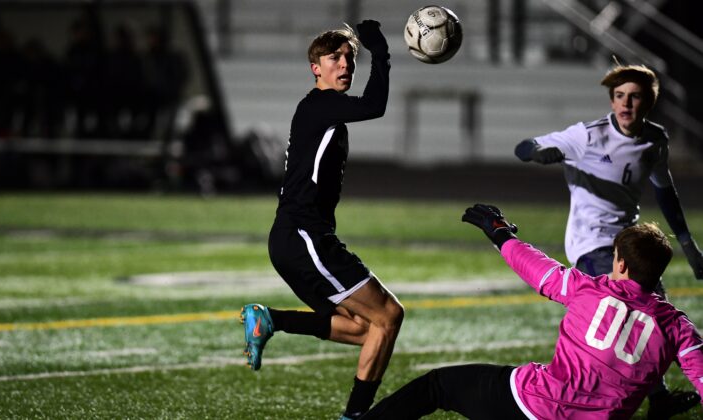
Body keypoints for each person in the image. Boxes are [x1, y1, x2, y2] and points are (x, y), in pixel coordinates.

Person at [362, 204, 703, 419]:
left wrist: (501, 235)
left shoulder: (591, 290)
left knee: (436, 386)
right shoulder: (678, 328)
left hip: (534, 404)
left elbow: (540, 271)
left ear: (621, 262)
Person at [514, 64, 702, 416]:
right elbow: (524, 147)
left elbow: (666, 192)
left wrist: (688, 245)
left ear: (649, 102)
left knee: (654, 314)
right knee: (641, 314)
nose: (626, 104)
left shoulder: (655, 139)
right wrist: (540, 152)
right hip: (592, 242)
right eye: (619, 96)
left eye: (635, 97)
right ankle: (605, 397)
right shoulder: (588, 136)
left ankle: (657, 400)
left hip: (628, 240)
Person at [240, 20, 403, 420]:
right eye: (335, 58)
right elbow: (375, 105)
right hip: (303, 238)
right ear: (316, 67)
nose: (345, 63)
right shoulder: (319, 106)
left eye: (350, 57)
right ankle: (355, 416)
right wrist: (380, 52)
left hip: (295, 240)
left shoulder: (323, 111)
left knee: (366, 331)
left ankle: (270, 319)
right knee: (389, 315)